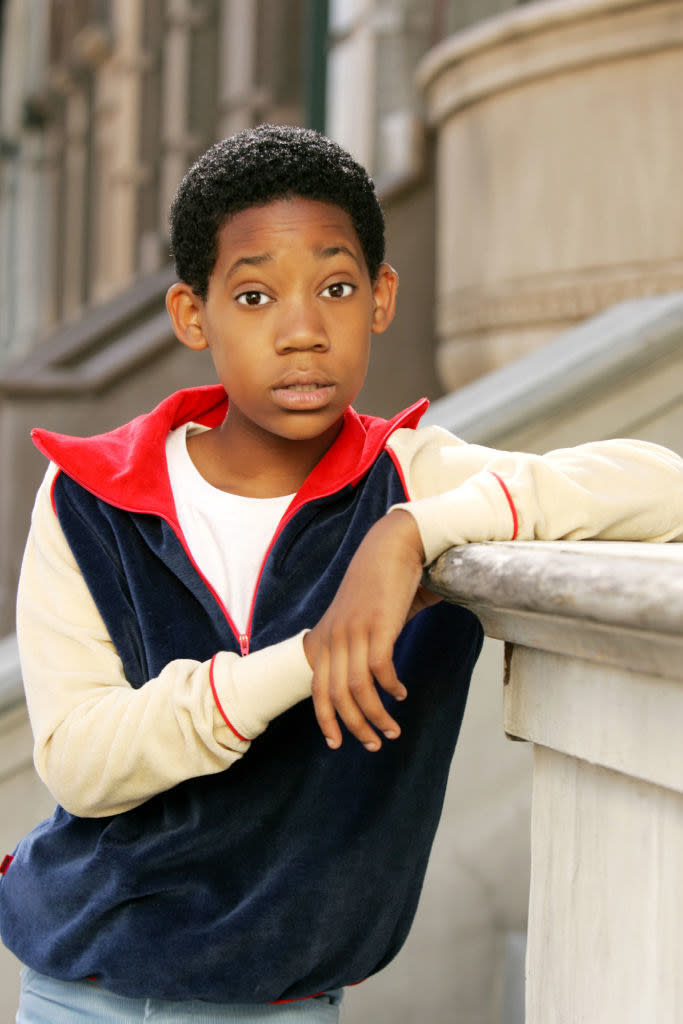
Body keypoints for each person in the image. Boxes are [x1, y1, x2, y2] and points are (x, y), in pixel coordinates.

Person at [2, 124, 682, 1024]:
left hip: (280, 1002)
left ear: (379, 297)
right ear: (191, 313)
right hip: (78, 990)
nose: (300, 332)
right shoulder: (92, 493)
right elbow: (83, 766)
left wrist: (408, 534)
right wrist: (309, 657)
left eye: (334, 287)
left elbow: (661, 486)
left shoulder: (410, 479)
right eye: (253, 296)